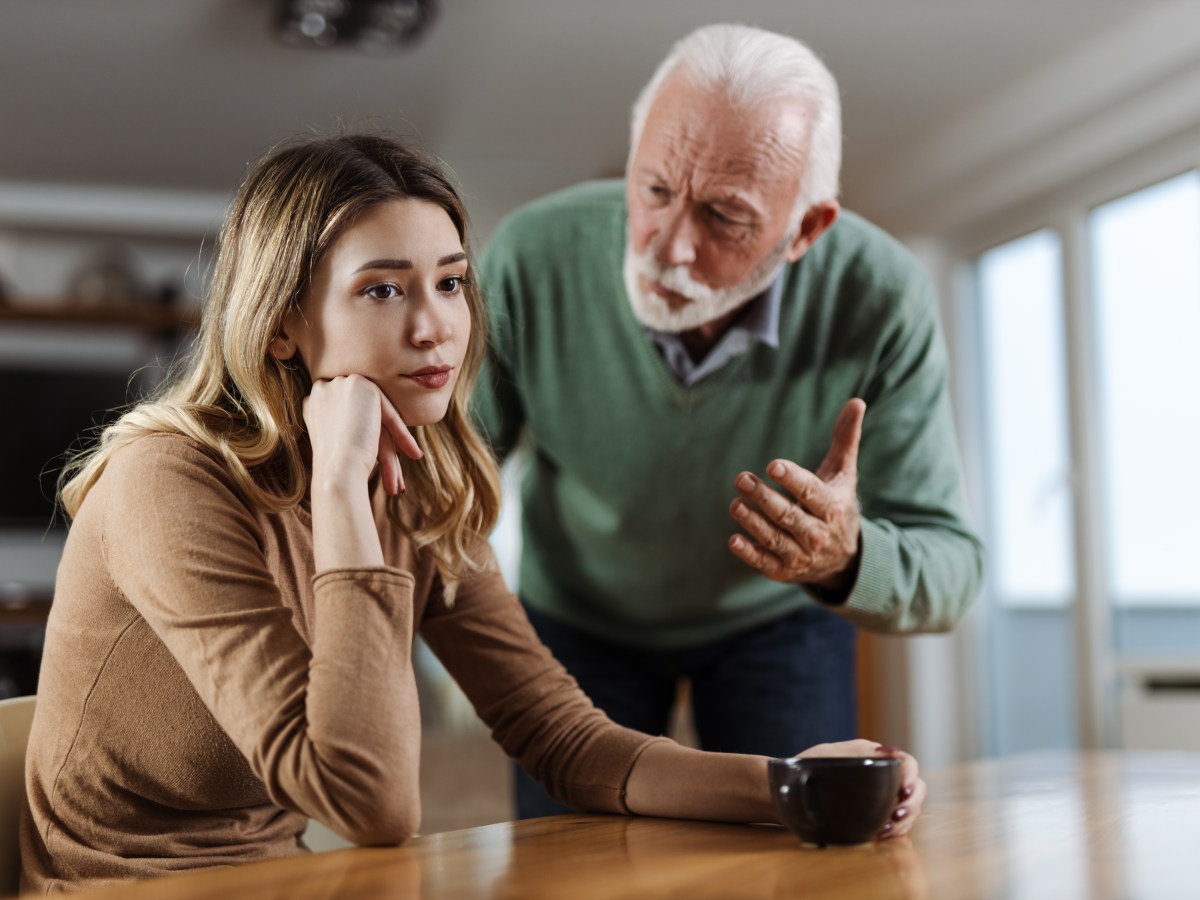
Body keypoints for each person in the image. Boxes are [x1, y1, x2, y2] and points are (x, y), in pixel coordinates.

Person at [18, 133, 925, 894]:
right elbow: (367, 802)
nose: (434, 327)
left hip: (282, 876)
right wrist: (340, 498)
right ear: (282, 323)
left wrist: (796, 784)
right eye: (383, 289)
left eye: (450, 282)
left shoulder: (425, 484)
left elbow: (565, 739)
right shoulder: (167, 481)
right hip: (113, 887)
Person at [473, 23, 985, 818]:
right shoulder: (530, 255)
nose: (671, 247)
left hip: (776, 625)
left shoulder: (884, 296)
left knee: (800, 852)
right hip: (575, 616)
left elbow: (952, 568)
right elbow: (449, 472)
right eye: (652, 190)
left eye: (725, 215)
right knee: (568, 865)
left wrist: (845, 557)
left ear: (806, 230)